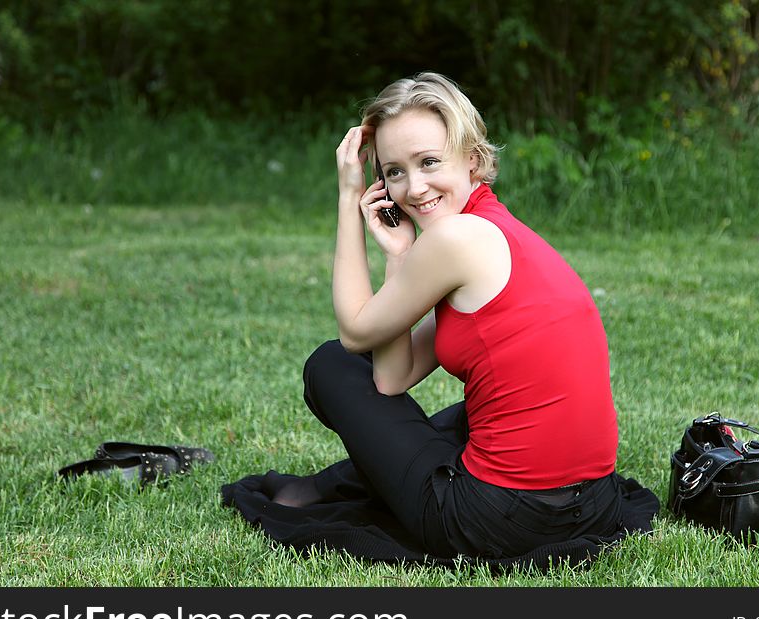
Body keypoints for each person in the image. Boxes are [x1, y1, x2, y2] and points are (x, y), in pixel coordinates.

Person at [222, 72, 658, 567]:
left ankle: (316, 491)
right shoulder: (497, 233)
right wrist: (398, 254)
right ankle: (316, 488)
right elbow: (391, 379)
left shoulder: (456, 241)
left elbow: (357, 331)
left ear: (472, 158)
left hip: (497, 522)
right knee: (459, 419)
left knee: (332, 365)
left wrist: (348, 197)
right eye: (393, 171)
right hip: (593, 506)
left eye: (429, 162)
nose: (413, 187)